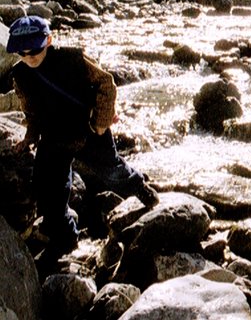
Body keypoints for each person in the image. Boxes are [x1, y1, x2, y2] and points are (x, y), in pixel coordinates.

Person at [5, 15, 158, 266]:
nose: (30, 56)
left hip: (88, 130)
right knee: (47, 186)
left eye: (36, 50)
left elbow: (106, 84)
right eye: (23, 52)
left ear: (49, 41)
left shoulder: (72, 59)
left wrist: (101, 121)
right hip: (53, 136)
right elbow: (30, 110)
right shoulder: (21, 74)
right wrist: (31, 136)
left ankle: (139, 186)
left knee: (112, 171)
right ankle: (64, 235)